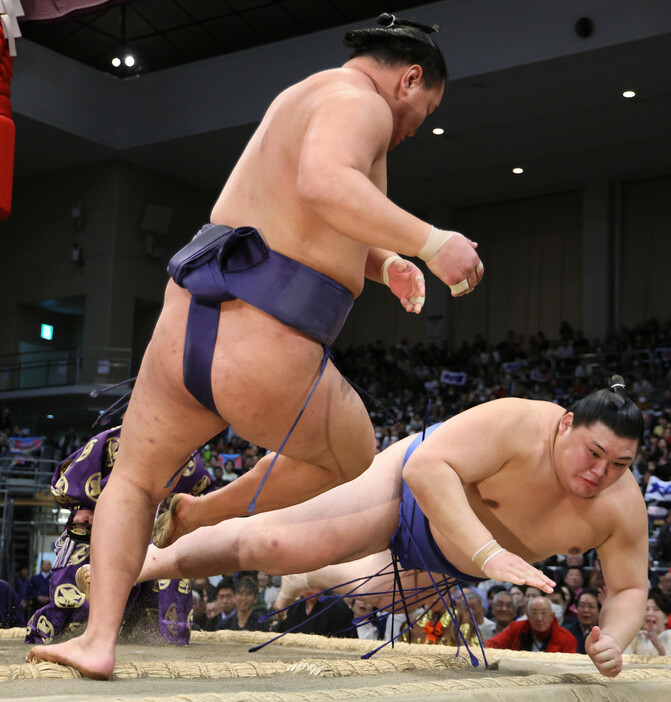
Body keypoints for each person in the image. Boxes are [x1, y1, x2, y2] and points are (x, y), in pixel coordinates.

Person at [26, 13, 483, 680]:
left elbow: (301, 210)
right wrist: (431, 241)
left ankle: (98, 639)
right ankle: (202, 514)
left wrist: (383, 264)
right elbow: (326, 184)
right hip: (264, 342)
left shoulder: (303, 97)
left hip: (185, 327)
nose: (416, 125)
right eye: (426, 107)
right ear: (410, 78)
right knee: (353, 456)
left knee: (132, 479)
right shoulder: (363, 105)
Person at [102, 378, 648, 677]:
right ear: (567, 424)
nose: (600, 473)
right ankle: (143, 564)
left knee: (372, 594)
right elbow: (426, 468)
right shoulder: (517, 422)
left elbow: (628, 587)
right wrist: (486, 555)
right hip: (409, 495)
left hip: (451, 560)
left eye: (620, 465)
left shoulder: (621, 506)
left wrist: (616, 643)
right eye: (594, 452)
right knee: (274, 544)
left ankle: (309, 575)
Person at [25, 426, 215, 646]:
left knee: (169, 568)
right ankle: (73, 634)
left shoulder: (187, 455)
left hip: (161, 527)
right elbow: (77, 475)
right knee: (79, 574)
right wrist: (83, 506)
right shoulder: (115, 440)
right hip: (106, 518)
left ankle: (161, 639)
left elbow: (202, 494)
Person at [485, 596, 577, 653]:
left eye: (544, 613)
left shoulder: (567, 639)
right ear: (528, 616)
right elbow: (492, 644)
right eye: (534, 613)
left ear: (552, 616)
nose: (539, 618)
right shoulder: (516, 628)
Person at [623, 592, 671, 657]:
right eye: (646, 609)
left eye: (656, 609)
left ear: (667, 617)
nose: (650, 613)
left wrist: (658, 645)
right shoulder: (634, 637)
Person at [563, 588, 601, 654]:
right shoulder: (566, 631)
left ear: (599, 610)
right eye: (582, 605)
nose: (586, 610)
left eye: (591, 606)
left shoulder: (603, 632)